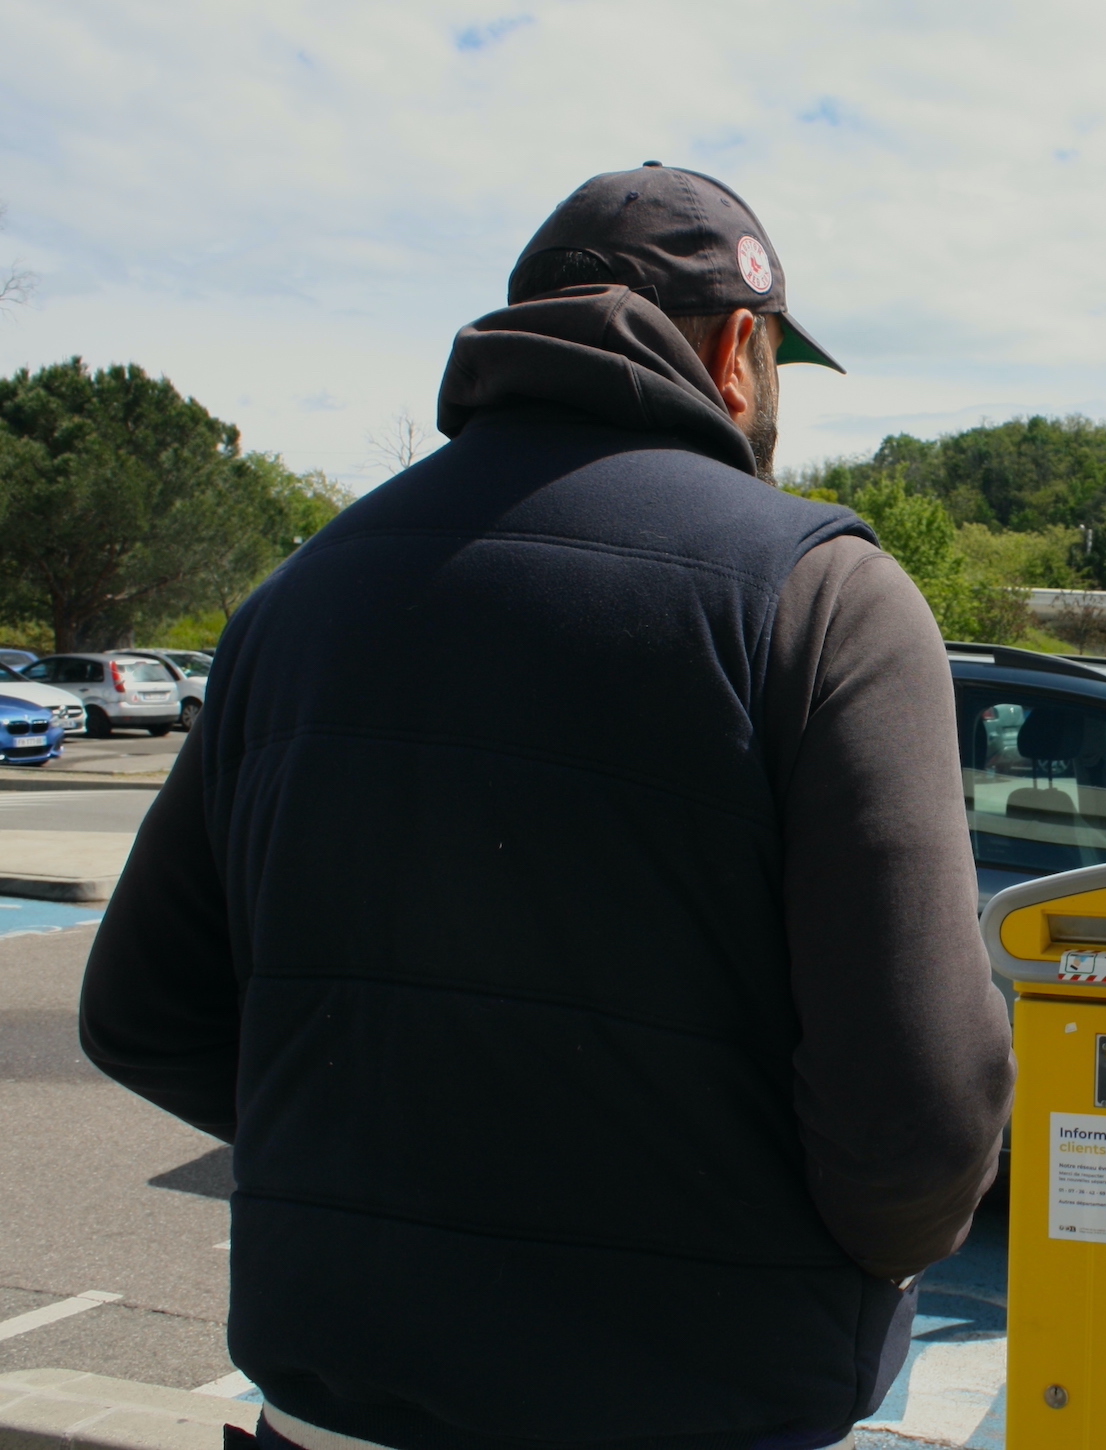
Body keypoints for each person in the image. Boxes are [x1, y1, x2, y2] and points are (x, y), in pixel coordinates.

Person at [78, 165, 1015, 1450]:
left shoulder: (293, 598)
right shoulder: (822, 596)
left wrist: (377, 1157)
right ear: (739, 350)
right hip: (699, 1399)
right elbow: (920, 1122)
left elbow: (142, 1011)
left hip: (327, 1403)